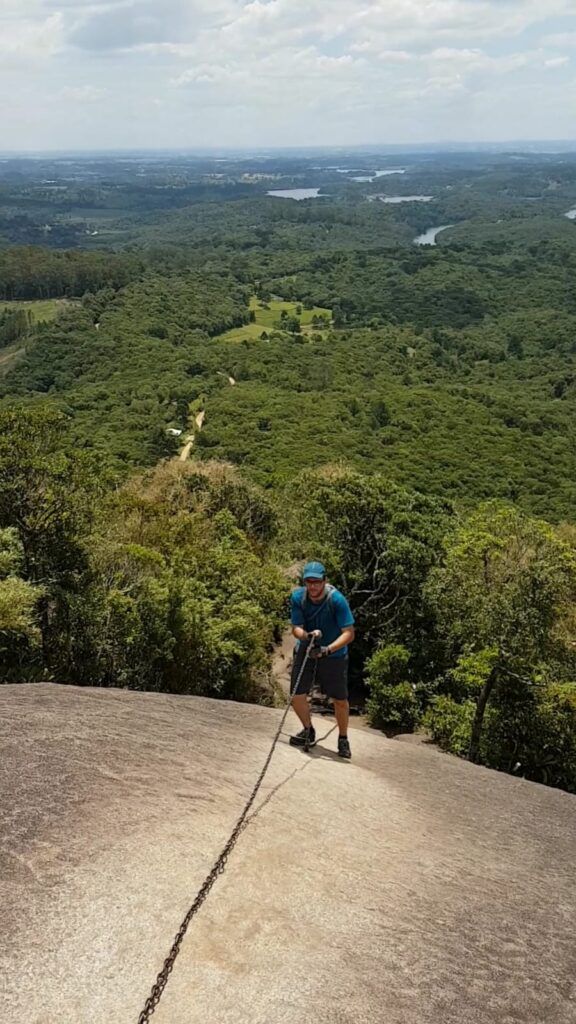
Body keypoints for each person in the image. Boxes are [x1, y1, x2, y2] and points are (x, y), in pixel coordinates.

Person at [289, 560, 355, 759]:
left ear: (325, 581)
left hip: (333, 653)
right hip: (307, 649)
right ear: (304, 582)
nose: (313, 586)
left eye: (317, 582)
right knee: (296, 695)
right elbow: (296, 627)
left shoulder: (337, 600)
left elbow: (349, 633)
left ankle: (343, 738)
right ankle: (308, 730)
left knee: (340, 700)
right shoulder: (298, 598)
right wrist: (306, 636)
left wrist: (328, 649)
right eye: (309, 582)